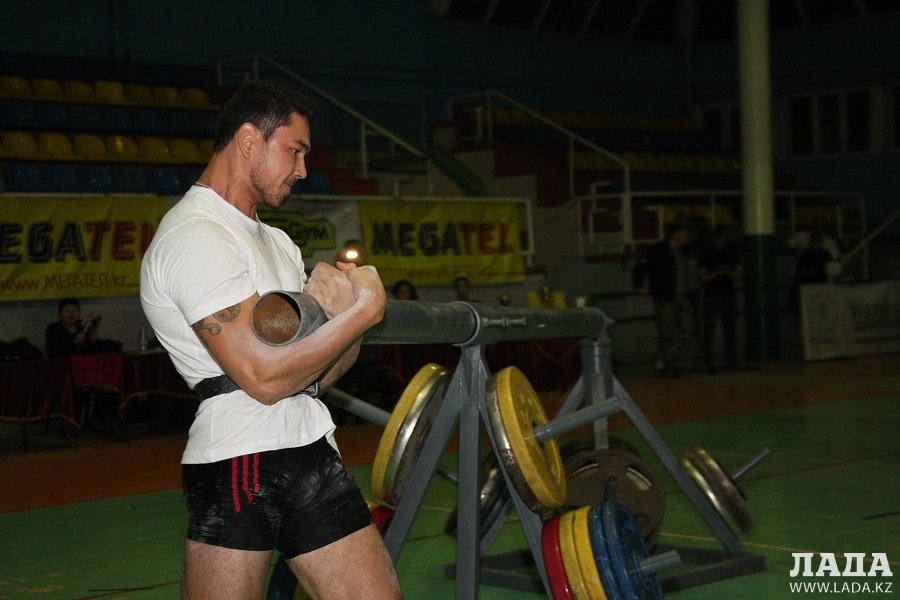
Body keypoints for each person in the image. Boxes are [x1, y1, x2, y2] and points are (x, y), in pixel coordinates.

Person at [140, 81, 401, 600]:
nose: (303, 170)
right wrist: (365, 313)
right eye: (295, 151)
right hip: (241, 455)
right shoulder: (195, 235)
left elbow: (317, 374)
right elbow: (262, 378)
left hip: (310, 446)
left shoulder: (279, 241)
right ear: (247, 141)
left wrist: (342, 318)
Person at [632, 223, 695, 378]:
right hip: (665, 296)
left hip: (681, 295)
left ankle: (666, 360)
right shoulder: (659, 250)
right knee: (668, 331)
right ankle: (667, 364)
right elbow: (640, 267)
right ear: (676, 234)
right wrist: (639, 285)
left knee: (685, 329)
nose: (685, 238)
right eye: (683, 235)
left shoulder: (678, 252)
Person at [696, 230, 742, 372]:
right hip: (713, 294)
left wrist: (727, 272)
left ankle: (730, 359)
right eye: (717, 239)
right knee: (709, 328)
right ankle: (708, 359)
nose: (719, 242)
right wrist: (717, 274)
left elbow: (739, 273)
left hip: (726, 293)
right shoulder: (707, 254)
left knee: (729, 328)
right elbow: (702, 277)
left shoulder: (731, 253)